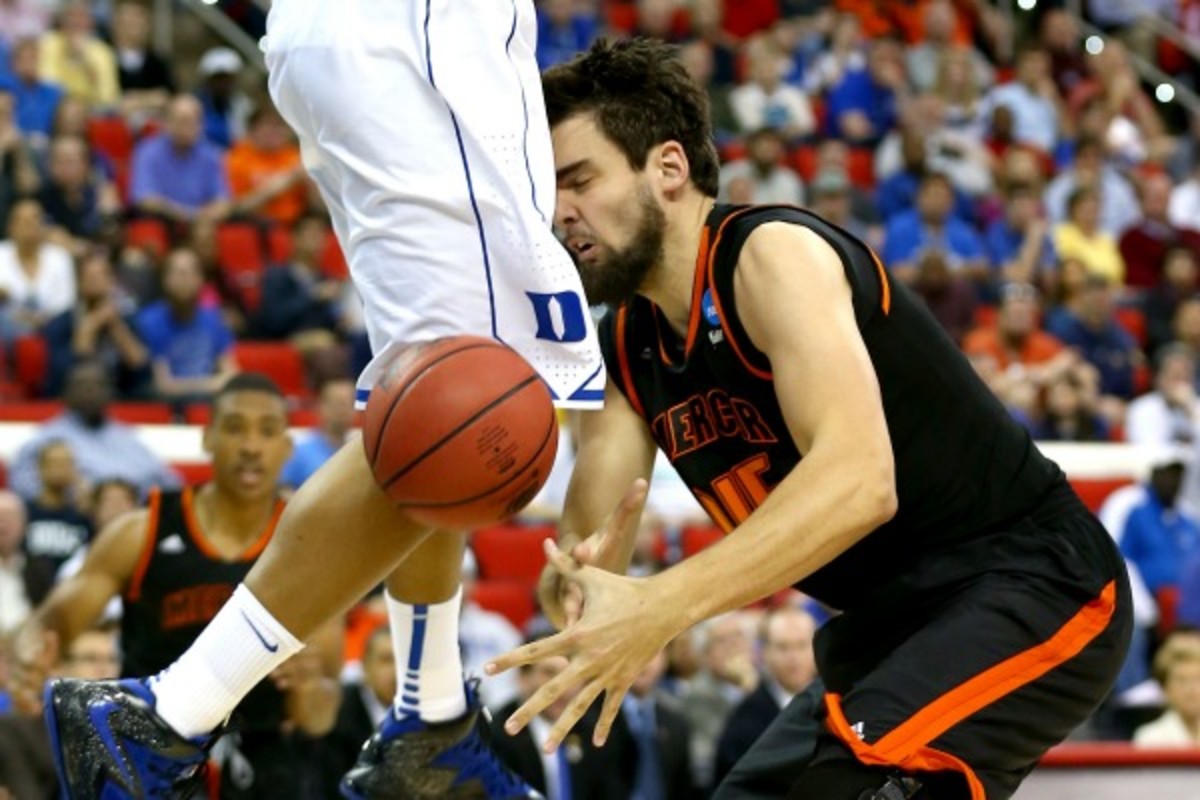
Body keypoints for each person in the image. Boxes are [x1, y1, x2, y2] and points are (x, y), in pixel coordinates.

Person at [484, 39, 1132, 800]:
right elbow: (590, 566)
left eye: (578, 181)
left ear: (667, 168)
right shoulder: (625, 348)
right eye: (547, 190)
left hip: (1032, 582)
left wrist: (661, 606)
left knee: (852, 787)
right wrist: (585, 588)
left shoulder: (770, 256)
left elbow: (861, 483)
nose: (559, 212)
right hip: (890, 627)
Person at [44, 1, 603, 799]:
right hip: (413, 37)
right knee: (480, 401)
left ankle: (429, 721)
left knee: (443, 385)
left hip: (357, 40)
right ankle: (166, 715)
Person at [13, 374, 344, 799]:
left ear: (286, 446)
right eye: (235, 427)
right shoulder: (143, 530)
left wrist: (308, 688)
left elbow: (320, 717)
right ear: (206, 437)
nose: (250, 446)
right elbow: (54, 622)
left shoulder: (307, 547)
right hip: (145, 754)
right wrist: (30, 654)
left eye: (267, 431)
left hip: (260, 764)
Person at [8, 360, 179, 500]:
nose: (91, 392)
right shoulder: (46, 438)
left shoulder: (127, 436)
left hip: (133, 520)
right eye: (83, 386)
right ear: (66, 393)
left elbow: (170, 481)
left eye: (99, 385)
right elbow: (22, 486)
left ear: (111, 392)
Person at [713, 607, 818, 787]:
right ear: (765, 653)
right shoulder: (744, 719)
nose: (793, 657)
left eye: (802, 645)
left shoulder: (839, 703)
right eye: (783, 647)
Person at [1132, 629, 1200, 746]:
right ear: (1165, 688)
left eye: (1197, 679)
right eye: (1181, 680)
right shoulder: (1149, 737)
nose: (1191, 689)